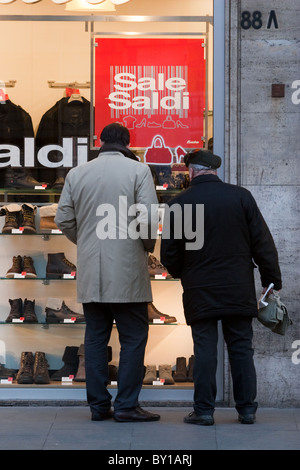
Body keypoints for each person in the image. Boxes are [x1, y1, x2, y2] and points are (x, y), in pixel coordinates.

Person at [160, 149, 282, 425]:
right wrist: (271, 281)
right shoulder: (240, 197)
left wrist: (183, 273)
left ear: (191, 172)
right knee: (241, 348)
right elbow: (263, 243)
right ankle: (247, 409)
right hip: (237, 286)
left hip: (199, 288)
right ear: (214, 170)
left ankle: (203, 411)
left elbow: (169, 254)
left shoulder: (179, 204)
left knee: (204, 349)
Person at [55, 122, 160, 422]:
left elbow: (63, 218)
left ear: (100, 142)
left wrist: (85, 240)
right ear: (127, 144)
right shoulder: (138, 171)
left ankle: (99, 406)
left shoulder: (77, 173)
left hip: (91, 269)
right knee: (134, 337)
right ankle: (126, 405)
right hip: (127, 270)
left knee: (95, 339)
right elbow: (148, 217)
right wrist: (145, 246)